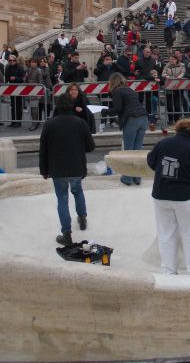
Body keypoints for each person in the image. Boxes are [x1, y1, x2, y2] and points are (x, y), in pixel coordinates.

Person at [147, 118, 190, 275]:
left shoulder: (163, 144)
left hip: (161, 195)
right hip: (184, 197)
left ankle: (169, 271)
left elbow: (151, 161)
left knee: (166, 234)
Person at [39, 91, 95, 246]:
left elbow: (43, 149)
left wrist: (44, 170)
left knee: (62, 199)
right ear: (71, 105)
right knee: (78, 191)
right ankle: (82, 217)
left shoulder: (50, 124)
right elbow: (90, 146)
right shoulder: (80, 123)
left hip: (57, 168)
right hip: (76, 166)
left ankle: (66, 233)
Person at [106, 73, 149, 186]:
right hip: (143, 118)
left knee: (129, 150)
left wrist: (104, 111)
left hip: (132, 119)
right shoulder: (130, 90)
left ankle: (127, 178)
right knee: (137, 150)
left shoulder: (117, 91)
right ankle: (137, 177)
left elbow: (117, 109)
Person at [5, 54, 25, 127]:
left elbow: (23, 79)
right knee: (13, 105)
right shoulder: (7, 67)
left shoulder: (20, 67)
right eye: (10, 60)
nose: (12, 62)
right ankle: (13, 121)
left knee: (19, 106)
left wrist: (15, 78)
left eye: (13, 60)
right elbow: (6, 78)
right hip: (11, 88)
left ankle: (18, 122)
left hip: (19, 88)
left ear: (16, 60)